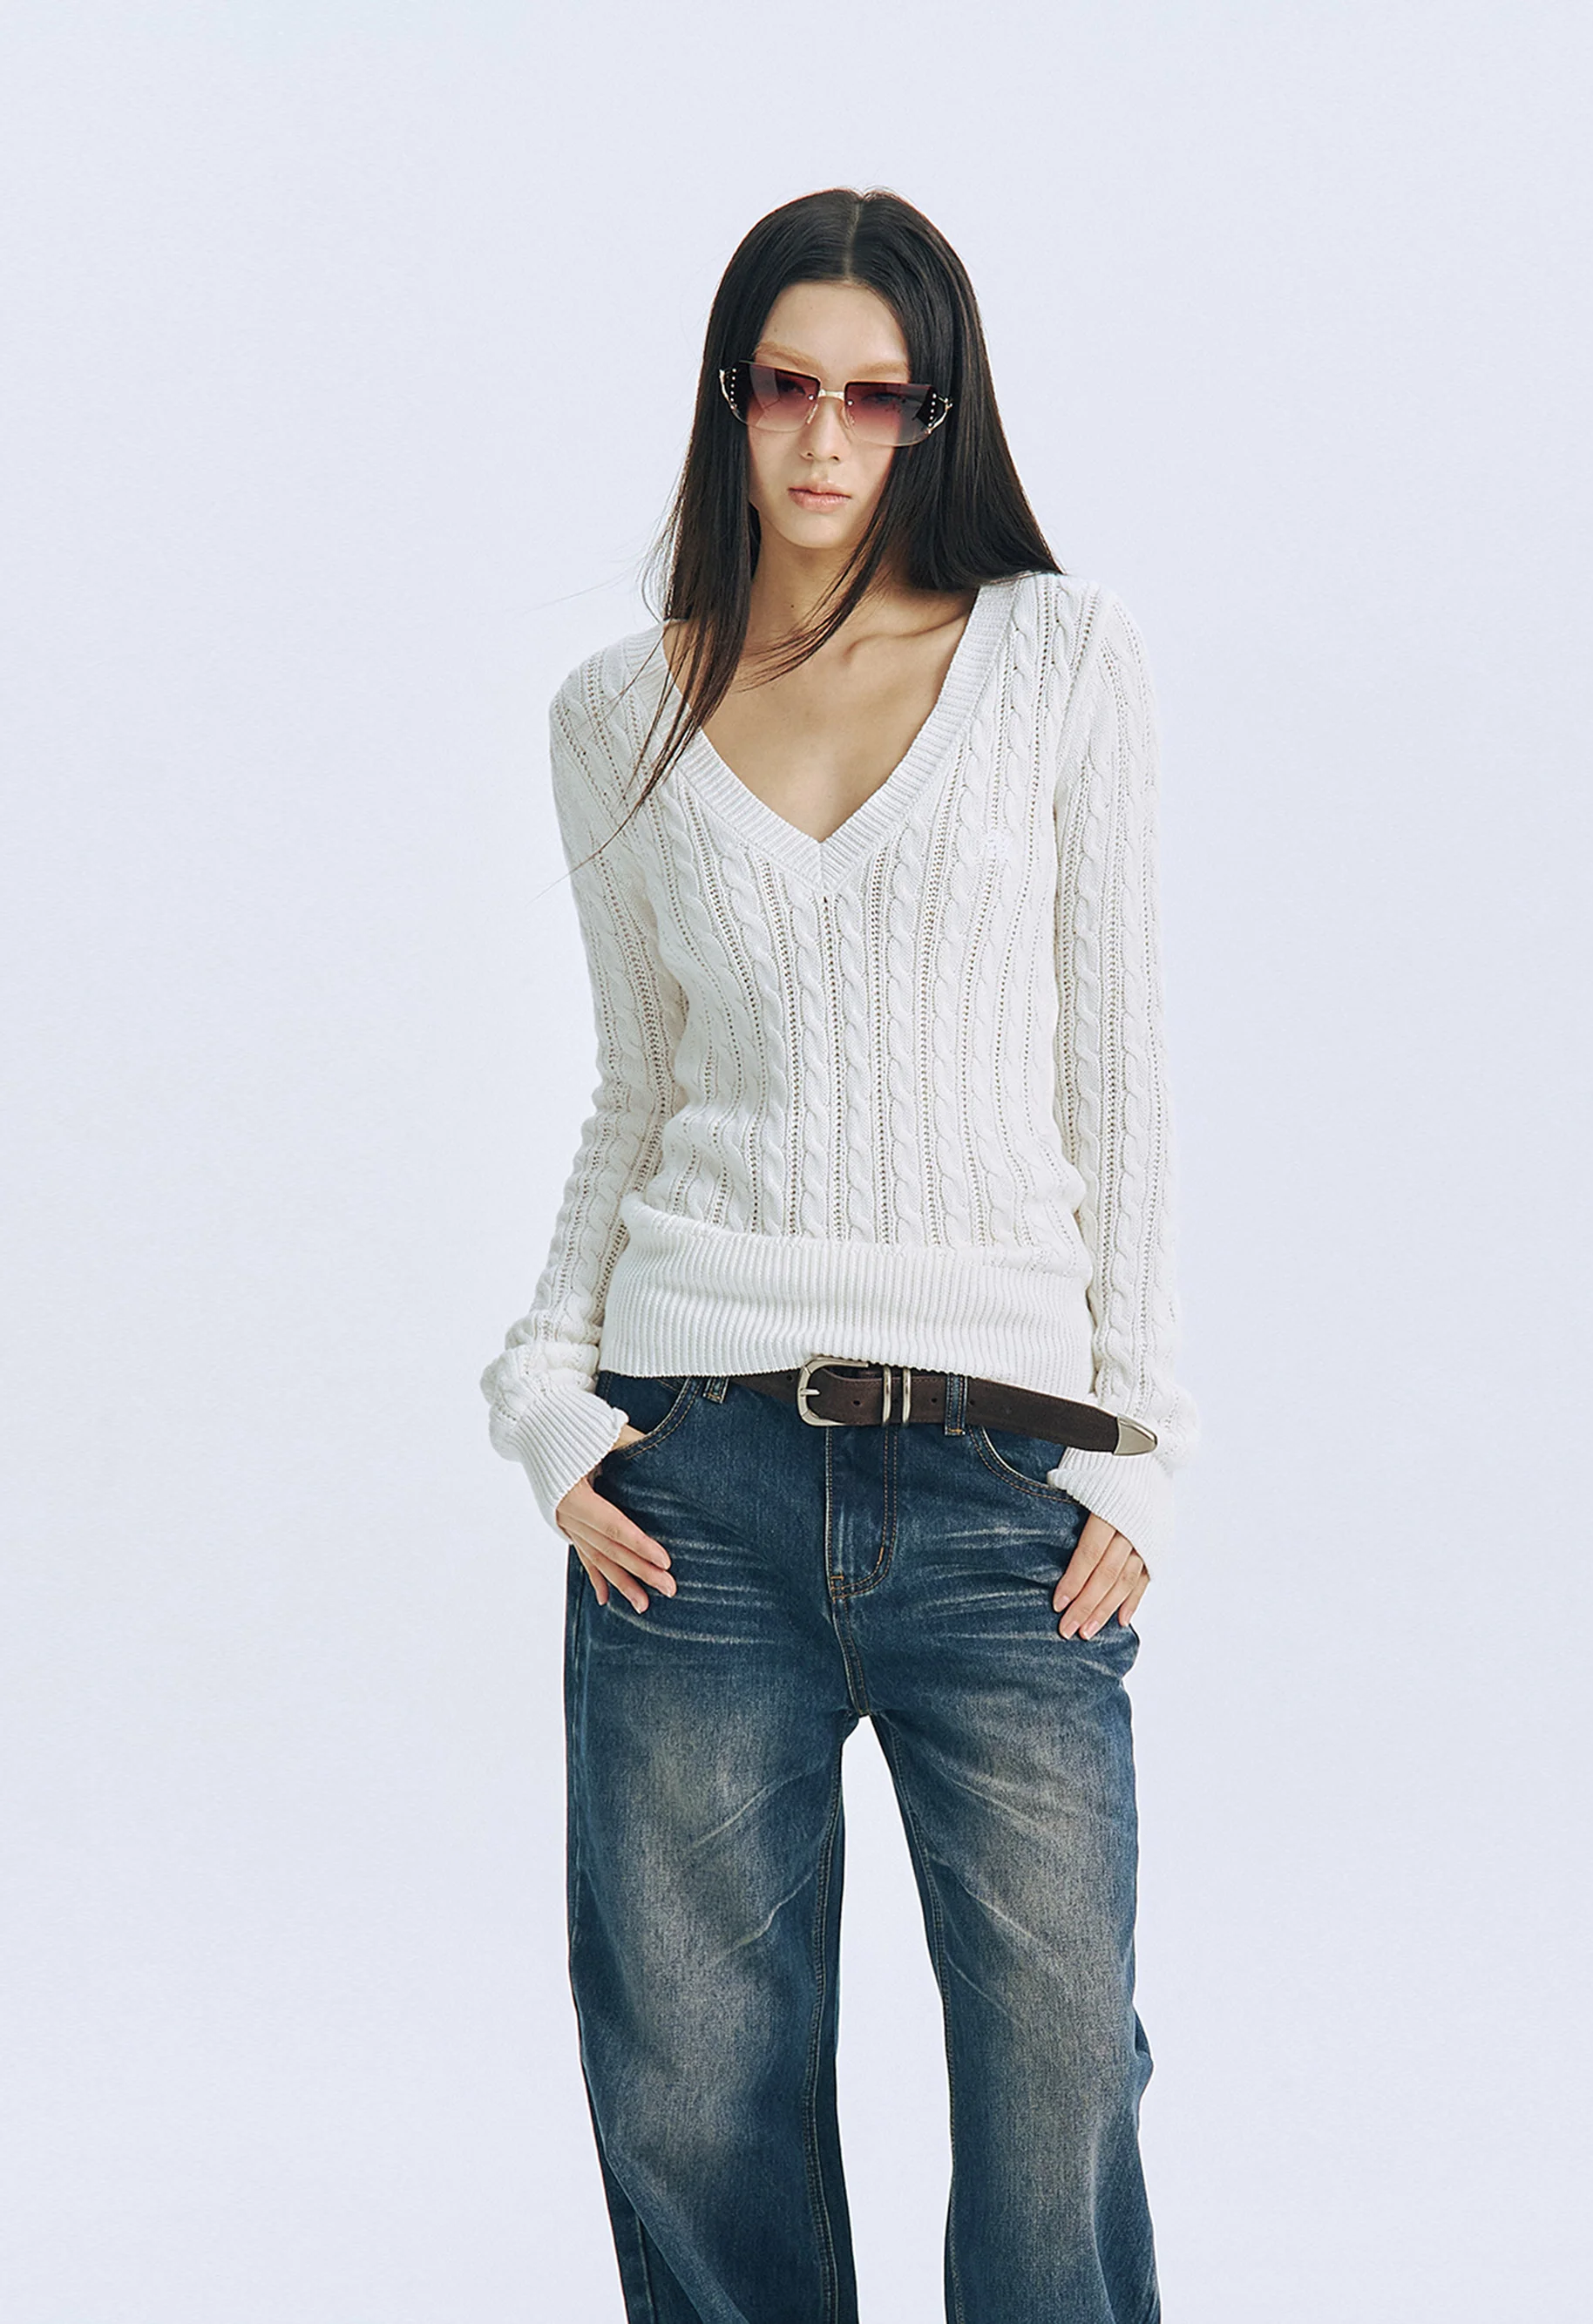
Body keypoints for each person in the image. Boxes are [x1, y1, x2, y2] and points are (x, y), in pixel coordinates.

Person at [479, 185, 1199, 2324]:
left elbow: (1118, 1070)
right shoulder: (614, 713)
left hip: (1001, 1488)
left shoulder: (1058, 658)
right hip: (690, 1485)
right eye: (786, 386)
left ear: (932, 417)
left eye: (875, 398)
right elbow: (638, 1087)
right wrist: (544, 1393)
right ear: (729, 396)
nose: (823, 438)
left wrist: (1143, 1445)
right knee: (694, 2100)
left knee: (1058, 2095)